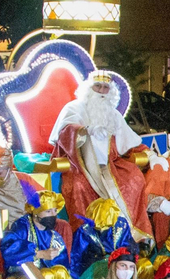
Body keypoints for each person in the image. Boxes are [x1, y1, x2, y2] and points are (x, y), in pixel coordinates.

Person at [48, 69, 152, 239]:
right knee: (78, 186)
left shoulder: (114, 115)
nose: (102, 91)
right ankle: (89, 239)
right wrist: (84, 131)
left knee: (135, 178)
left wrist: (150, 154)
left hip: (110, 167)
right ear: (89, 88)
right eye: (98, 86)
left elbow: (130, 142)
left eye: (105, 88)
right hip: (79, 167)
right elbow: (64, 134)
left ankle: (129, 235)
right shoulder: (74, 108)